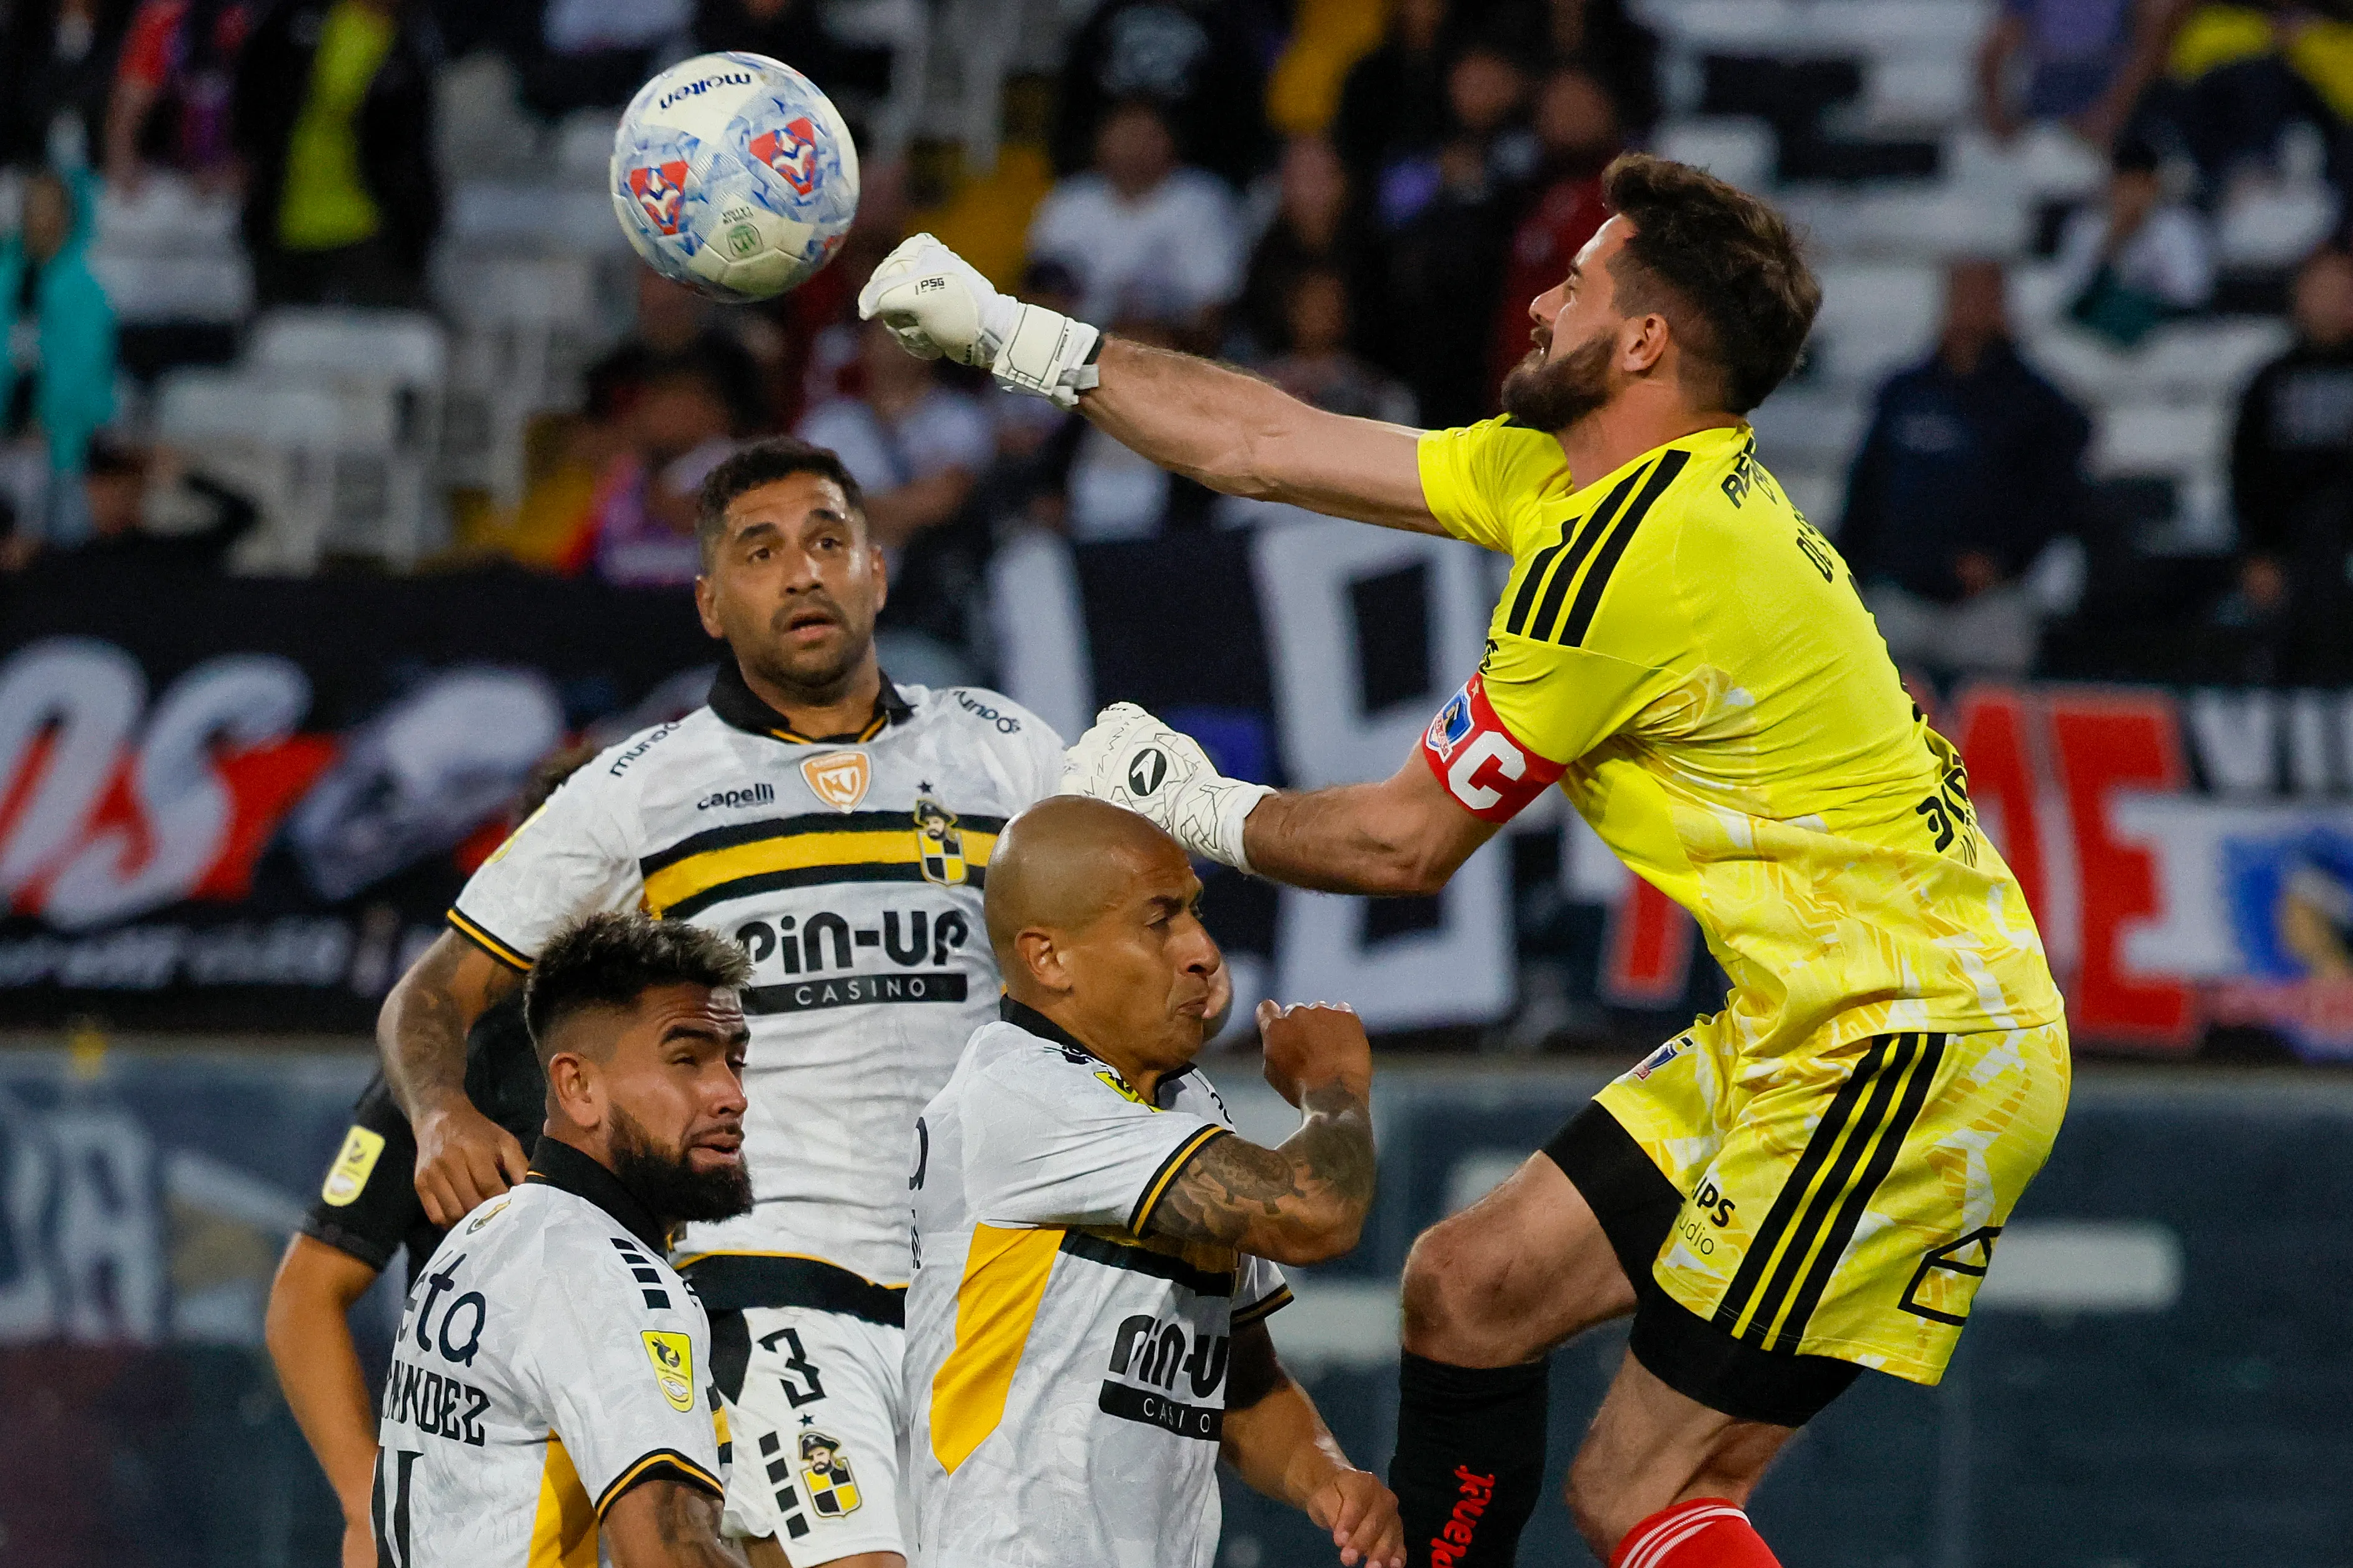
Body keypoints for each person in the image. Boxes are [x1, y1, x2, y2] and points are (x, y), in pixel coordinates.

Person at [859, 152, 2070, 1568]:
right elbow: (1264, 442)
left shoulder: (1639, 557)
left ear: (1642, 342)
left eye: (1577, 281)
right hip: (1800, 1024)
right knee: (1469, 1288)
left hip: (1911, 1042)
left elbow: (1403, 840)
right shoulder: (1573, 478)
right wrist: (1013, 336)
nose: (1539, 298)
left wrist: (1188, 802)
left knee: (1641, 1490)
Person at [376, 434, 1066, 1568]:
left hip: (990, 1289)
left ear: (875, 571)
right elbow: (434, 989)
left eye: (827, 542)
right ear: (708, 601)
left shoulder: (1003, 751)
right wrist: (442, 1112)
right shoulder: (641, 787)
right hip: (770, 1280)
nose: (801, 572)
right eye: (760, 552)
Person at [905, 795, 1403, 1568]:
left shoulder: (1180, 1104)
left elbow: (1239, 1376)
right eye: (1160, 920)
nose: (1203, 950)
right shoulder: (1022, 1095)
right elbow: (1316, 1213)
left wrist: (1326, 1479)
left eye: (1195, 912)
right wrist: (1333, 1085)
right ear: (1049, 959)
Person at [266, 748, 585, 1568]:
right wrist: (364, 1500)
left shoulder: (712, 1061)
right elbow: (306, 1293)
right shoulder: (454, 1062)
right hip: (484, 1496)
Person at [373, 910, 753, 1566]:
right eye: (686, 1059)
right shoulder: (608, 1279)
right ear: (577, 1086)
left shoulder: (481, 1236)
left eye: (735, 1060)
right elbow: (668, 1551)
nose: (730, 1095)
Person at [1840, 259, 2091, 679]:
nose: (1968, 309)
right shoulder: (1904, 392)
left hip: (1987, 605)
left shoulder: (2037, 404)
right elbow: (1866, 489)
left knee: (1992, 697)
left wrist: (2005, 560)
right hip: (1898, 593)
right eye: (1960, 296)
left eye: (1981, 297)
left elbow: (2057, 497)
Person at [229, 0, 440, 308]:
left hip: (371, 230)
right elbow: (253, 93)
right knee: (283, 331)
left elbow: (412, 147)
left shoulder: (413, 43)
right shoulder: (299, 20)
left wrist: (415, 223)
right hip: (286, 225)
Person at [2227, 243, 2353, 679]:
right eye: (2321, 288)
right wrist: (2257, 553)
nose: (2332, 300)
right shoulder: (2270, 380)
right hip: (2291, 553)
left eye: (2343, 289)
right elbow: (2248, 473)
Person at [1027, 96, 1243, 336]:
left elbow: (1214, 308)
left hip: (1169, 345)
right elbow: (1041, 290)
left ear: (1172, 141)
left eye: (1147, 136)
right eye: (1125, 134)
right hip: (1082, 341)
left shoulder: (1202, 200)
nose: (1134, 146)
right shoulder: (1072, 198)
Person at [0, 166, 114, 553]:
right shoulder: (7, 276)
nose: (39, 219)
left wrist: (47, 420)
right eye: (33, 207)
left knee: (54, 545)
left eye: (49, 208)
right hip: (6, 436)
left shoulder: (84, 290)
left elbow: (86, 372)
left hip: (58, 449)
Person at [1976, 0, 2185, 151]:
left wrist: (2110, 115)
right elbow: (1995, 48)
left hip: (2111, 96)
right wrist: (1997, 115)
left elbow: (2150, 50)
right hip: (2045, 98)